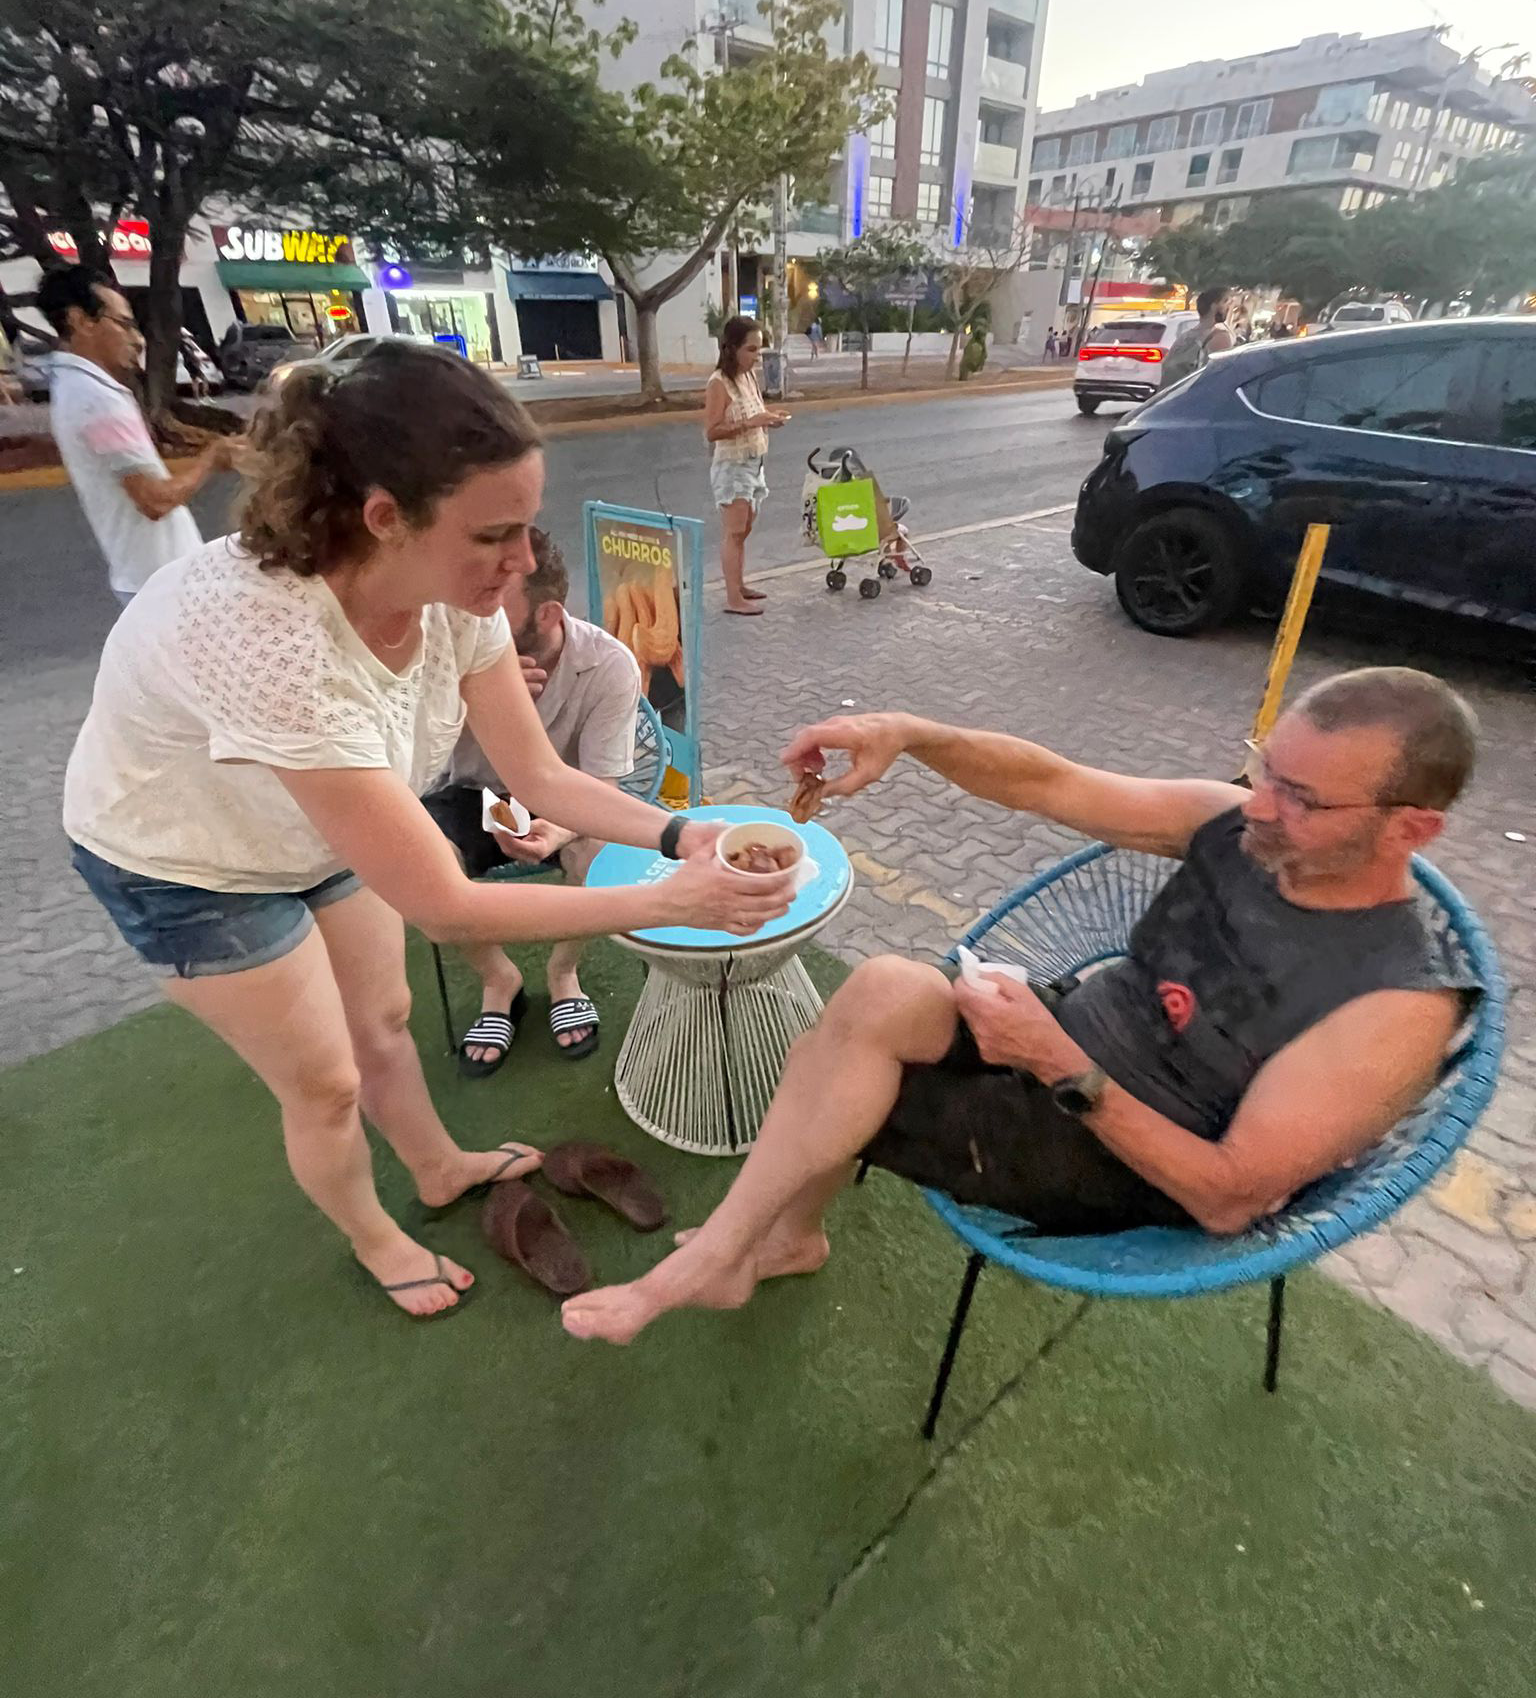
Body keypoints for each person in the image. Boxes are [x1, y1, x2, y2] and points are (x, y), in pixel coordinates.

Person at [63, 344, 793, 1321]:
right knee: (324, 1082)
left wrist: (677, 835)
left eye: (528, 527)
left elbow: (538, 773)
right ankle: (376, 1238)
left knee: (388, 1021)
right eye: (497, 532)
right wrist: (669, 900)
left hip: (315, 825)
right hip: (183, 860)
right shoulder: (274, 635)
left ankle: (441, 1166)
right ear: (382, 518)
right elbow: (445, 906)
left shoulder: (459, 592)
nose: (526, 561)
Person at [561, 668, 1479, 1346]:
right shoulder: (1239, 825)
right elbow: (1051, 784)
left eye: (1301, 797)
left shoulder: (1395, 1003)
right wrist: (908, 729)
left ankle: (721, 1255)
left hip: (1124, 1155)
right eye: (1264, 769)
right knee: (881, 986)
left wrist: (1058, 1062)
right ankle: (776, 1240)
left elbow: (1228, 1196)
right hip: (1058, 1036)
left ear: (1411, 826)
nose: (1260, 808)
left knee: (855, 1081)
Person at [423, 526, 643, 1072]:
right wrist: (465, 698)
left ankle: (563, 972)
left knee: (594, 849)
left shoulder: (609, 665)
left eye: (500, 605)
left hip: (566, 795)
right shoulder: (454, 650)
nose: (481, 616)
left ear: (547, 616)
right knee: (422, 857)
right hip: (473, 791)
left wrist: (558, 828)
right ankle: (500, 981)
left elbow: (600, 788)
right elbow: (410, 761)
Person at [38, 266, 231, 606]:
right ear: (81, 320)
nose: (138, 339)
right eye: (124, 324)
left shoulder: (79, 388)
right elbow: (154, 500)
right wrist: (213, 459)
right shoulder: (97, 400)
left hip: (150, 577)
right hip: (166, 583)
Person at [704, 314, 789, 618]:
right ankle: (732, 598)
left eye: (759, 350)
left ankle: (739, 585)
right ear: (732, 348)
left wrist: (769, 417)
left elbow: (756, 411)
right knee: (734, 532)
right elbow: (712, 431)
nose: (756, 357)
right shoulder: (719, 383)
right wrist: (752, 422)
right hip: (733, 466)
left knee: (746, 528)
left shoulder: (748, 377)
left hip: (755, 462)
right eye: (751, 350)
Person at [1159, 286, 1234, 390]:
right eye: (1225, 302)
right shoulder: (1219, 336)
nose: (1229, 307)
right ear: (1214, 306)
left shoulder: (1184, 337)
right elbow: (1223, 376)